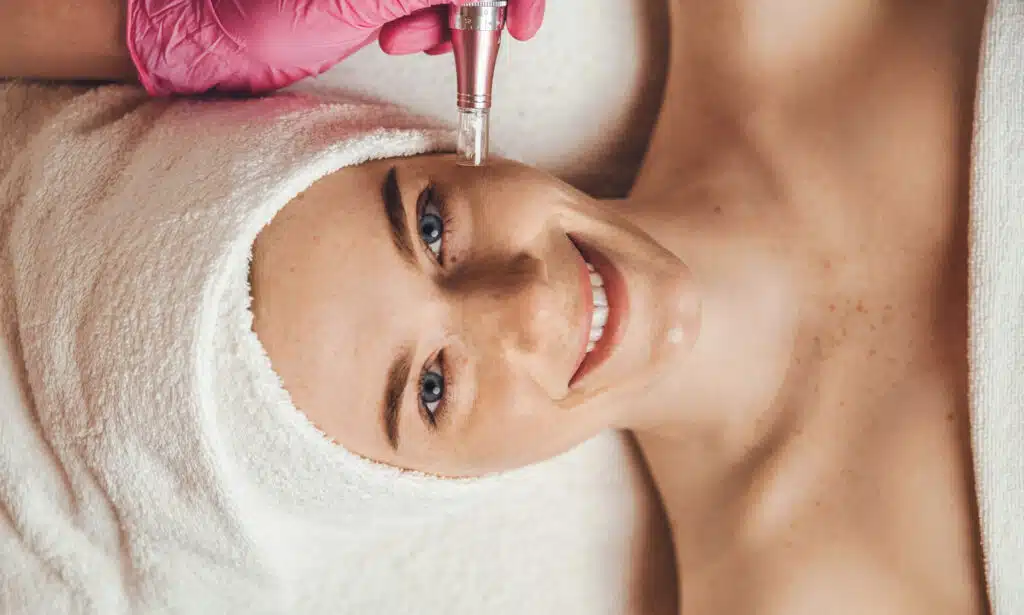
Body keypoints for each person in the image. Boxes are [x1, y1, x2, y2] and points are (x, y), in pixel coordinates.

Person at [0, 0, 1009, 613]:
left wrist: (149, 24)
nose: (527, 308)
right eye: (433, 388)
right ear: (427, 490)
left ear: (426, 140)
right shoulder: (820, 599)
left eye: (432, 227)